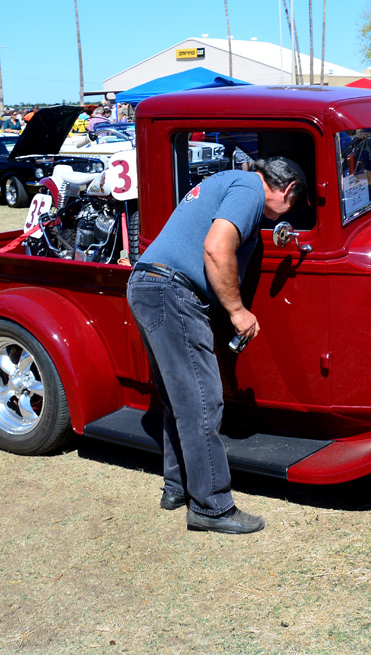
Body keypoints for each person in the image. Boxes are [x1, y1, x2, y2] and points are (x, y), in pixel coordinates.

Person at [125, 156, 307, 535]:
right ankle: (211, 506)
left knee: (179, 399)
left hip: (149, 284)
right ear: (287, 190)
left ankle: (177, 488)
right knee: (203, 400)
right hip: (173, 290)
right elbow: (216, 248)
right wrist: (238, 311)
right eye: (292, 206)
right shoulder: (249, 191)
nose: (282, 217)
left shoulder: (225, 181)